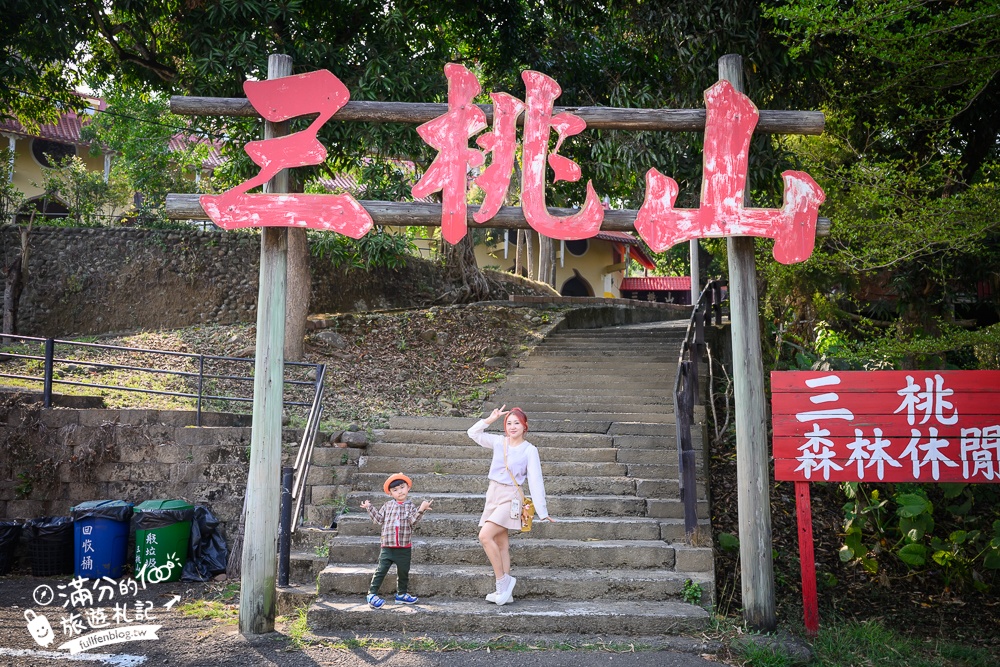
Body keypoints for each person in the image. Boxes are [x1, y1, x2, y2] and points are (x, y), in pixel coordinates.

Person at [467, 404, 554, 606]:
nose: (512, 426)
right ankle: (505, 593)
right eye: (509, 423)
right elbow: (473, 433)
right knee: (501, 544)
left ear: (525, 426)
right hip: (493, 493)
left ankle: (503, 581)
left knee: (485, 535)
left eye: (517, 423)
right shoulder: (499, 442)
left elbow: (535, 480)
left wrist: (542, 511)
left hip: (512, 497)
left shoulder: (530, 450)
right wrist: (490, 419)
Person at [360, 472, 433, 608]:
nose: (399, 492)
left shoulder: (411, 506)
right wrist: (370, 508)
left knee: (403, 572)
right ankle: (372, 594)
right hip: (388, 546)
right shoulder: (388, 505)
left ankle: (401, 594)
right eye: (395, 490)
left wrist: (421, 510)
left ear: (408, 488)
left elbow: (412, 521)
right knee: (381, 571)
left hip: (404, 547)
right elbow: (379, 519)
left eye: (402, 488)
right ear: (390, 494)